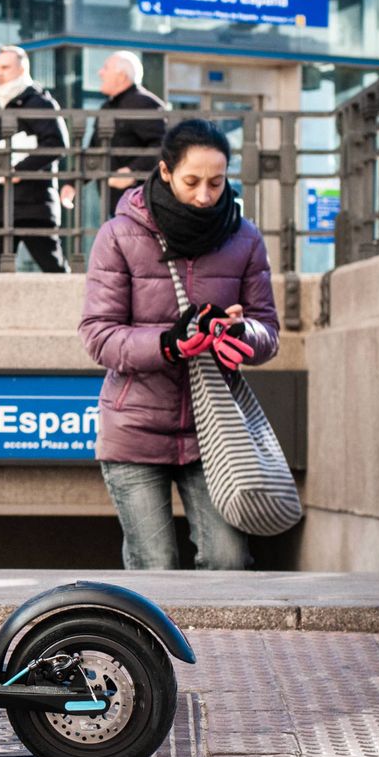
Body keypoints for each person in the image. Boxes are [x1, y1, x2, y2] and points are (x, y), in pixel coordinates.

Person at [79, 118, 279, 570]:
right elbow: (98, 335)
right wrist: (169, 344)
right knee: (156, 567)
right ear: (166, 172)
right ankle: (150, 646)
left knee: (228, 561)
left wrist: (241, 333)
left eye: (216, 181)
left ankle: (218, 646)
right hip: (135, 429)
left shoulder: (245, 238)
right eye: (192, 181)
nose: (206, 195)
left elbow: (268, 332)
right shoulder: (119, 235)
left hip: (216, 433)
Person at [0, 45, 70, 273]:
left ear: (22, 68)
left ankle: (75, 308)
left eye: (5, 67)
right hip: (0, 205)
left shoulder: (39, 102)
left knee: (54, 270)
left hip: (33, 205)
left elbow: (56, 144)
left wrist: (17, 171)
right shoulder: (1, 103)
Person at [94, 51, 166, 217]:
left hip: (141, 205)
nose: (100, 72)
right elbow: (95, 148)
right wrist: (72, 183)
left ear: (121, 76)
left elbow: (163, 145)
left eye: (106, 68)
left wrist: (132, 171)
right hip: (116, 204)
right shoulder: (107, 107)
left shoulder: (144, 103)